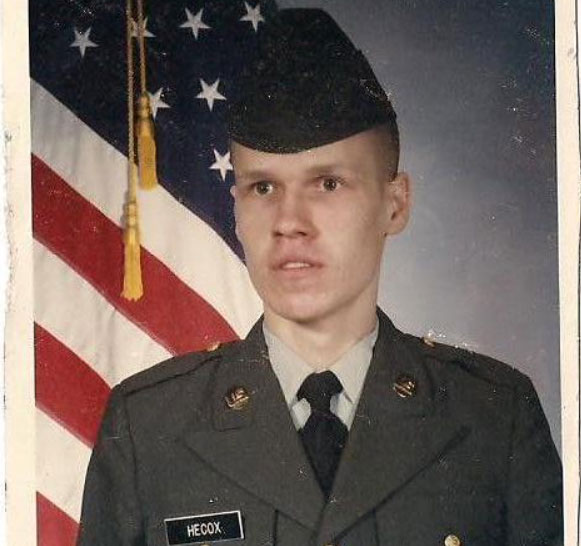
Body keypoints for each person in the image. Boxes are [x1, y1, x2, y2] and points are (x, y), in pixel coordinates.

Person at [77, 8, 562, 546]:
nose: (289, 222)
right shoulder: (147, 428)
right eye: (263, 187)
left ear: (395, 205)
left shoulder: (495, 419)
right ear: (235, 208)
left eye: (327, 184)